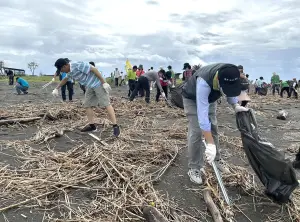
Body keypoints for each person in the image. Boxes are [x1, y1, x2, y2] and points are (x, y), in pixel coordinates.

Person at [181, 63, 248, 184]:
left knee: (213, 127)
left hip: (211, 98)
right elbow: (202, 117)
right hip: (192, 98)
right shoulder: (204, 82)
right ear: (218, 80)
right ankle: (194, 167)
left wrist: (235, 105)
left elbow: (231, 91)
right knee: (196, 130)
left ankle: (217, 159)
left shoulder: (231, 72)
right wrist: (210, 143)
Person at [52, 58, 120, 136]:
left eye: (61, 69)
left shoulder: (77, 65)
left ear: (65, 66)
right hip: (90, 86)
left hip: (98, 84)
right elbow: (66, 79)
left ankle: (115, 126)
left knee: (106, 104)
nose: (62, 71)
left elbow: (94, 69)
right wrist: (56, 88)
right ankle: (92, 126)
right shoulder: (70, 71)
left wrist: (104, 82)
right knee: (87, 105)